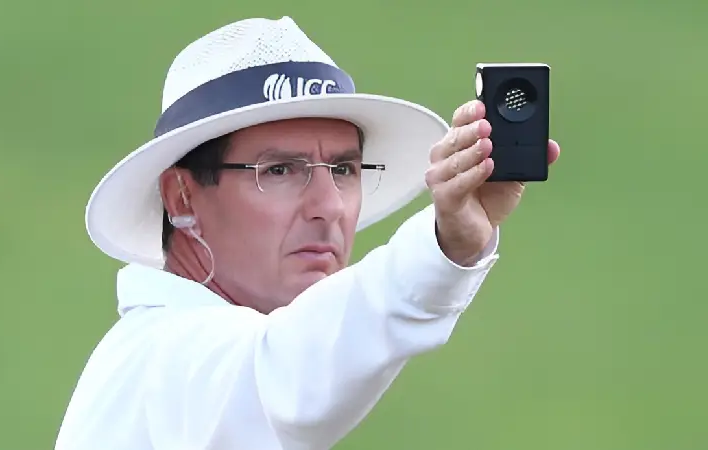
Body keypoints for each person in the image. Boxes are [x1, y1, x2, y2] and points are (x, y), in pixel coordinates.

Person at [54, 15, 560, 450]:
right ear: (182, 197)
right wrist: (444, 244)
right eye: (279, 170)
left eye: (343, 170)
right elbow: (291, 374)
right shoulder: (169, 356)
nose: (329, 207)